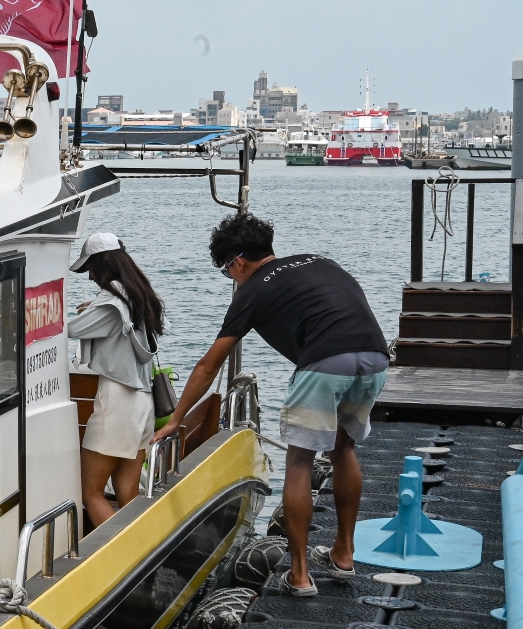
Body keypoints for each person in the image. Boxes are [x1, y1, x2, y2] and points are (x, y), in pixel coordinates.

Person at [155, 212, 387, 597]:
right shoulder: (319, 261)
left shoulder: (252, 290)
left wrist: (175, 420)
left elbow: (208, 365)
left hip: (325, 362)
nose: (231, 279)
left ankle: (299, 575)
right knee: (344, 449)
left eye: (227, 271)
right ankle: (343, 555)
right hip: (374, 358)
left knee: (299, 461)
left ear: (238, 262)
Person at [68, 232, 165, 527]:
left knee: (91, 493)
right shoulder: (139, 295)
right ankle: (145, 554)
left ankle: (125, 558)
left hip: (117, 401)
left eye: (91, 270)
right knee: (127, 491)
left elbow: (69, 329)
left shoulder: (111, 302)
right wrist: (93, 310)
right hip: (142, 402)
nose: (90, 278)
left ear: (103, 265)